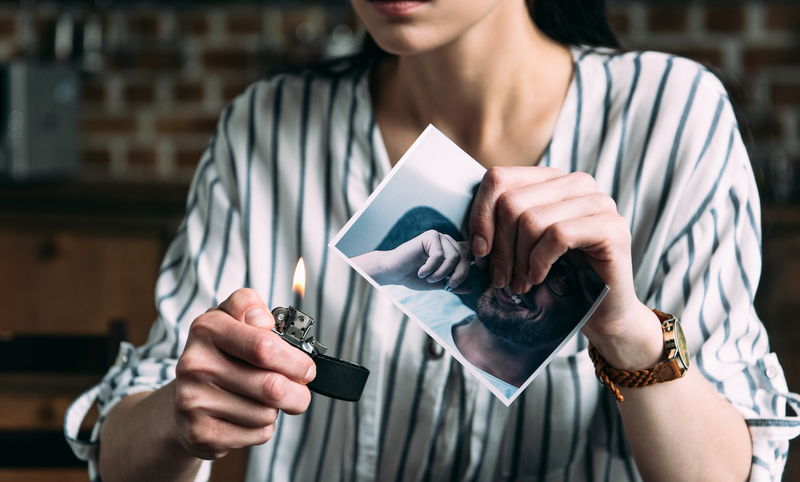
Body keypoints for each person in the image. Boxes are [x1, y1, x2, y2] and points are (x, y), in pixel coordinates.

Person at [64, 0, 799, 480]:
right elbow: (123, 444)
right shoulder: (266, 127)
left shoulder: (673, 117)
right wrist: (181, 417)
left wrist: (624, 330)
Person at [351, 227, 605, 396]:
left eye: (561, 277)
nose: (523, 280)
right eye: (529, 253)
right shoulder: (408, 294)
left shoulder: (535, 411)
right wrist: (384, 268)